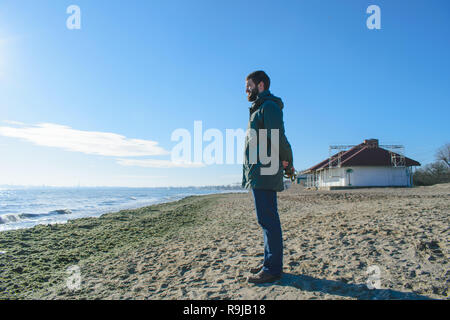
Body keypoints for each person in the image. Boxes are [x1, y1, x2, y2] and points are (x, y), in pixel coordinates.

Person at [242, 70, 294, 284]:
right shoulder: (258, 108)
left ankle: (272, 268)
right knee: (265, 220)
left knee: (268, 220)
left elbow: (278, 136)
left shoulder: (269, 107)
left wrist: (288, 162)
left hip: (265, 171)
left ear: (261, 85)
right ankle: (269, 262)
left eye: (249, 85)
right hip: (258, 172)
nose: (246, 90)